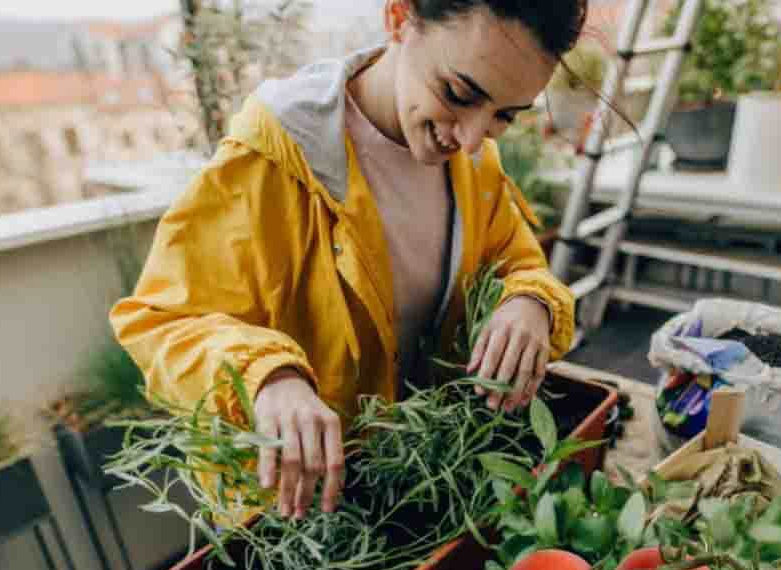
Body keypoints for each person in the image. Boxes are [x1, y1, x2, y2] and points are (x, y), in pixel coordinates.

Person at [110, 0, 588, 522]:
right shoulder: (273, 159)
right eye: (458, 94)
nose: (472, 138)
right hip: (303, 519)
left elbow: (516, 261)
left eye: (504, 116)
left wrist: (531, 301)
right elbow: (162, 321)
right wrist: (267, 376)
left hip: (422, 488)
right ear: (399, 19)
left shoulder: (475, 165)